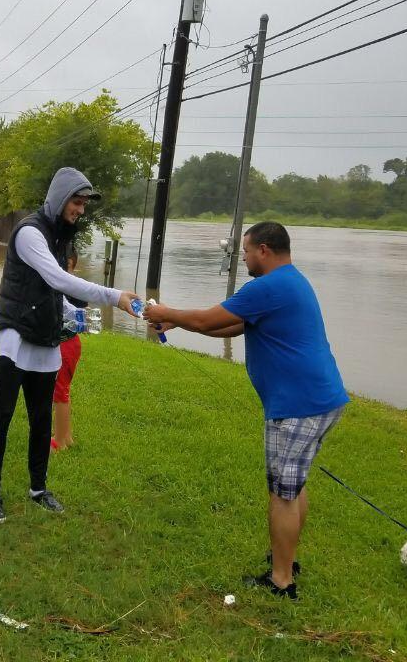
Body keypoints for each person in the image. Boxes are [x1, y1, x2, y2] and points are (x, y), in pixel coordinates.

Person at [143, 221, 348, 601]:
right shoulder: (291, 281)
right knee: (294, 484)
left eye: (247, 251)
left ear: (265, 250)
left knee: (283, 493)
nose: (244, 258)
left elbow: (209, 317)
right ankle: (286, 559)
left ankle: (281, 580)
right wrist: (176, 322)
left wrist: (162, 309)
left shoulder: (269, 286)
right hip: (320, 399)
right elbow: (234, 326)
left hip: (299, 406)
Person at [0, 167, 138, 523]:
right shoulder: (29, 232)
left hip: (46, 340)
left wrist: (73, 316)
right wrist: (115, 297)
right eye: (77, 202)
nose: (80, 210)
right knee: (1, 419)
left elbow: (54, 292)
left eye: (84, 205)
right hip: (15, 339)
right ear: (59, 198)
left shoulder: (61, 237)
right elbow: (58, 278)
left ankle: (39, 488)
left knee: (40, 420)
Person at [51, 249, 83, 451]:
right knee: (63, 391)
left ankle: (59, 442)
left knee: (59, 393)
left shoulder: (68, 287)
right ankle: (66, 436)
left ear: (69, 263)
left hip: (65, 345)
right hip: (71, 343)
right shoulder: (77, 287)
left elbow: (72, 312)